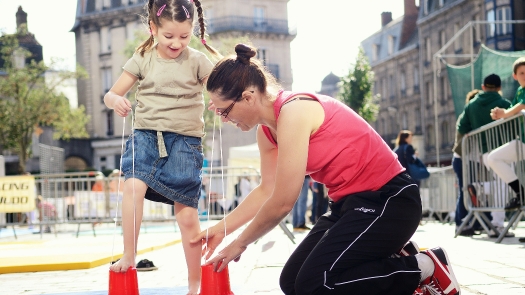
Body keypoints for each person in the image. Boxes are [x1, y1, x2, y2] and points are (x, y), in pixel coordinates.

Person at [190, 44, 461, 295]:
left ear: (248, 97)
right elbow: (266, 190)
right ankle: (393, 258)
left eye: (224, 111)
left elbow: (283, 201)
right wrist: (223, 228)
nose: (224, 120)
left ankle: (424, 265)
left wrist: (240, 242)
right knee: (292, 283)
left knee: (316, 284)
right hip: (348, 207)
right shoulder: (267, 134)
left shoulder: (294, 112)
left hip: (389, 201)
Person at [103, 1, 219, 294]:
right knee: (132, 188)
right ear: (153, 29)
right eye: (169, 36)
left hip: (184, 142)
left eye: (184, 35)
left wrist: (220, 102)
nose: (177, 43)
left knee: (187, 215)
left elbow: (217, 91)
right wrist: (115, 100)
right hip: (145, 136)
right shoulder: (143, 57)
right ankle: (129, 254)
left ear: (193, 30)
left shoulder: (198, 61)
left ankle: (195, 283)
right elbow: (111, 94)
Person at [457, 73, 514, 238]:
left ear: (483, 87)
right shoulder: (504, 103)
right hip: (503, 149)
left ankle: (480, 188)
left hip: (484, 152)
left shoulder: (471, 105)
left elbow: (462, 127)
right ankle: (496, 224)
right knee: (504, 184)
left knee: (501, 184)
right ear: (499, 88)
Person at [451, 89, 486, 236]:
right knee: (465, 190)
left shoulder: (468, 116)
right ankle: (461, 223)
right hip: (463, 158)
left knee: (471, 190)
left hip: (469, 158)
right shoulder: (468, 116)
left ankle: (473, 222)